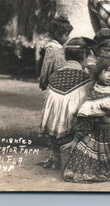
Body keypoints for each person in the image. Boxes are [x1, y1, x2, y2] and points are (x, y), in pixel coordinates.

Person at [38, 37, 94, 170]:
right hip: (72, 131)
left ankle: (57, 155)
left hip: (54, 130)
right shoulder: (86, 80)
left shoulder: (55, 76)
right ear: (85, 56)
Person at [39, 15, 73, 91]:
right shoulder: (55, 50)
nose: (68, 38)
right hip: (56, 87)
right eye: (66, 35)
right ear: (57, 35)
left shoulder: (51, 48)